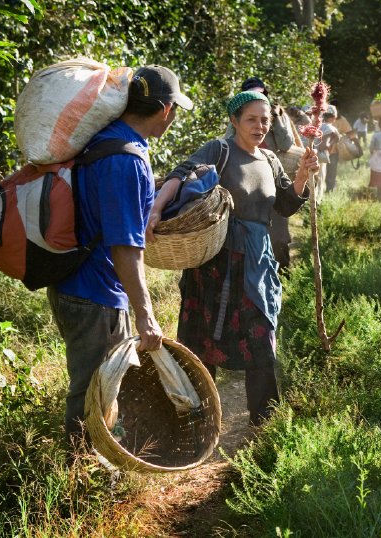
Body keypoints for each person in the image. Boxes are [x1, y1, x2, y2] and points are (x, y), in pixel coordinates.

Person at [148, 91, 318, 427]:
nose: (259, 126)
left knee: (262, 336)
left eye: (265, 120)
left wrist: (301, 176)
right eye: (251, 119)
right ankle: (196, 420)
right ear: (234, 121)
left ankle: (264, 424)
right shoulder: (219, 150)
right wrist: (155, 210)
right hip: (215, 264)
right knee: (202, 341)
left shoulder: (269, 159)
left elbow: (284, 206)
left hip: (256, 262)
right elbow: (179, 175)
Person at [49, 65, 191, 446]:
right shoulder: (126, 160)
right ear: (165, 110)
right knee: (93, 392)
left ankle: (96, 463)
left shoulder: (104, 139)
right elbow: (124, 249)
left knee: (99, 388)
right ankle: (79, 472)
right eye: (175, 110)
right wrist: (145, 316)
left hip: (73, 284)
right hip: (94, 294)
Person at [224, 77, 298, 269]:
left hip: (272, 181)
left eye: (261, 93)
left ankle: (283, 273)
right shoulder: (238, 119)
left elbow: (286, 144)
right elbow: (229, 145)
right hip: (246, 182)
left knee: (279, 236)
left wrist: (276, 119)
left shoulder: (277, 116)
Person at [319, 111, 340, 194]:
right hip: (320, 158)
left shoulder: (316, 125)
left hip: (309, 155)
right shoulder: (329, 128)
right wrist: (334, 140)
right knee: (320, 179)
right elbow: (323, 146)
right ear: (334, 118)